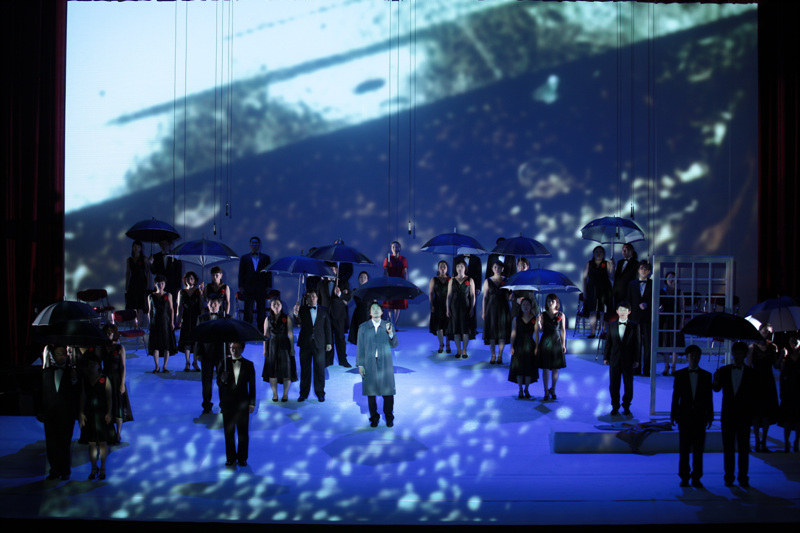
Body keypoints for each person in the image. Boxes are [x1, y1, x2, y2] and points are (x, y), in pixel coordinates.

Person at [713, 341, 756, 487]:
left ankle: (743, 477)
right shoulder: (724, 370)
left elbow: (755, 396)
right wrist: (716, 379)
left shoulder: (751, 373)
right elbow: (716, 389)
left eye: (740, 353)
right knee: (728, 448)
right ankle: (729, 476)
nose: (737, 356)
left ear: (745, 355)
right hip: (728, 415)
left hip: (744, 415)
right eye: (735, 353)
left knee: (743, 449)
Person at [670, 345, 714, 488]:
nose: (694, 358)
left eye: (696, 355)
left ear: (699, 357)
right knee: (684, 449)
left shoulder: (706, 376)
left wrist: (710, 415)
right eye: (691, 355)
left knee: (698, 450)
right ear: (687, 357)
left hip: (700, 416)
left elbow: (709, 398)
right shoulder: (680, 375)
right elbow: (676, 396)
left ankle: (696, 477)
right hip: (685, 416)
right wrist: (673, 414)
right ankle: (684, 476)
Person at [357, 303, 399, 427]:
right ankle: (374, 417)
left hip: (385, 362)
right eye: (373, 309)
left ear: (382, 312)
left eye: (378, 309)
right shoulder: (363, 327)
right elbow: (360, 347)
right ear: (370, 312)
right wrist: (360, 365)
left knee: (388, 391)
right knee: (371, 392)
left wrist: (390, 333)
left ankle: (389, 417)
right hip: (369, 362)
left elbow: (394, 344)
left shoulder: (388, 325)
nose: (375, 311)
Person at [41, 345, 78, 480]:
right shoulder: (46, 373)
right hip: (50, 414)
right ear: (53, 356)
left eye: (63, 353)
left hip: (66, 414)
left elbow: (77, 394)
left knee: (65, 442)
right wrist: (41, 412)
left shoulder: (72, 372)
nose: (61, 356)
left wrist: (74, 379)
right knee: (51, 443)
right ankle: (54, 470)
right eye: (58, 354)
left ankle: (65, 470)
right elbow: (40, 394)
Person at [217, 341, 256, 467]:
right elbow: (219, 385)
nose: (234, 350)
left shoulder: (249, 364)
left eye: (237, 348)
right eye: (232, 348)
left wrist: (252, 403)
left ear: (242, 349)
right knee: (229, 432)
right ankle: (230, 458)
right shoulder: (223, 363)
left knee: (243, 432)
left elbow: (252, 385)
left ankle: (242, 458)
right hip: (228, 403)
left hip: (243, 403)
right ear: (229, 349)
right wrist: (223, 379)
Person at [293, 290, 332, 402]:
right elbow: (298, 322)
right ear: (307, 299)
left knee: (319, 370)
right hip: (305, 343)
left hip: (320, 344)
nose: (312, 298)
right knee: (305, 370)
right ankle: (303, 393)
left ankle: (320, 393)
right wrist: (295, 313)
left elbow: (328, 327)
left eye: (314, 296)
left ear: (317, 298)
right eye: (310, 296)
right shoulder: (302, 309)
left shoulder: (324, 310)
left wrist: (329, 342)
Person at [603, 301, 640, 416]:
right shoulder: (611, 325)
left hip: (628, 359)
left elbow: (637, 344)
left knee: (628, 384)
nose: (622, 312)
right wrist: (606, 357)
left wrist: (636, 359)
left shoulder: (634, 326)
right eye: (620, 310)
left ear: (629, 312)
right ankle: (615, 406)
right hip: (614, 359)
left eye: (625, 310)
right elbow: (608, 343)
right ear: (617, 311)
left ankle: (626, 405)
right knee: (614, 384)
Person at [79, 354, 112, 480]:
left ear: (99, 365)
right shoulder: (85, 379)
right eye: (90, 364)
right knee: (91, 443)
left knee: (102, 442)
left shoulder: (104, 379)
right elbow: (83, 396)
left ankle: (102, 468)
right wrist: (81, 412)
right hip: (90, 413)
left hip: (102, 413)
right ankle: (93, 468)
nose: (91, 366)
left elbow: (109, 397)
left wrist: (109, 412)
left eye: (94, 364)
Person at [748, 323, 780, 452]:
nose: (767, 333)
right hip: (756, 381)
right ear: (760, 331)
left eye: (769, 332)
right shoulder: (752, 347)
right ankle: (757, 441)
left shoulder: (772, 347)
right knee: (756, 413)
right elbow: (749, 365)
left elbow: (776, 366)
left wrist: (781, 355)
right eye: (765, 331)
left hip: (768, 381)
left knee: (767, 412)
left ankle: (764, 441)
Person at [100, 324, 133, 445]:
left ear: (114, 334)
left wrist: (122, 383)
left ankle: (118, 433)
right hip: (106, 378)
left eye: (110, 333)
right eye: (106, 333)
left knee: (119, 404)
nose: (109, 335)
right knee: (107, 404)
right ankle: (108, 431)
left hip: (117, 378)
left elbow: (123, 367)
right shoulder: (102, 348)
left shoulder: (120, 348)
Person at [196, 294, 228, 414]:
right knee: (206, 381)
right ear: (207, 305)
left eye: (215, 303)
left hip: (221, 353)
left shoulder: (225, 317)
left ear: (219, 304)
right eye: (210, 303)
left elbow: (229, 336)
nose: (213, 305)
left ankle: (223, 404)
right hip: (206, 353)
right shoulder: (202, 318)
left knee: (222, 380)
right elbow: (198, 336)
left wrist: (229, 352)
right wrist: (198, 352)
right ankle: (206, 405)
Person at [263, 297, 297, 402]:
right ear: (271, 306)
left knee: (286, 371)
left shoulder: (287, 318)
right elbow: (265, 335)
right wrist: (265, 349)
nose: (276, 306)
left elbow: (290, 334)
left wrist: (292, 348)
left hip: (284, 346)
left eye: (278, 304)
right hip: (272, 346)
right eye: (274, 304)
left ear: (281, 305)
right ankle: (275, 394)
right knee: (272, 372)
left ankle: (285, 394)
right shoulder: (267, 319)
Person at [536, 293, 567, 400]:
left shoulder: (561, 315)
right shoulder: (542, 314)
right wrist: (539, 322)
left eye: (552, 301)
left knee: (555, 367)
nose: (550, 303)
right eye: (548, 301)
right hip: (546, 341)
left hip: (556, 341)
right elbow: (540, 330)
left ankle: (553, 389)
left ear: (556, 302)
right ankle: (545, 391)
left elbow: (563, 330)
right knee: (545, 367)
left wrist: (563, 344)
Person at [482, 261, 511, 364]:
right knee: (492, 333)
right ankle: (493, 355)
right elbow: (485, 297)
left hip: (503, 309)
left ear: (502, 269)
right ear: (492, 269)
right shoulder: (487, 281)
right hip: (491, 309)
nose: (497, 269)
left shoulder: (507, 280)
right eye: (495, 267)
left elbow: (509, 296)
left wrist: (512, 296)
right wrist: (483, 311)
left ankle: (500, 355)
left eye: (499, 267)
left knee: (502, 333)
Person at [627, 261, 653, 376]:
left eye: (646, 268)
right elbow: (628, 301)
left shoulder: (653, 284)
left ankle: (647, 369)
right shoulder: (631, 284)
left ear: (649, 271)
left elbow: (656, 300)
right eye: (642, 268)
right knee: (635, 344)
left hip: (648, 317)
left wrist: (647, 304)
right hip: (635, 318)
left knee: (648, 344)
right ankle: (636, 368)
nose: (643, 270)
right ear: (638, 270)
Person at [508, 298, 538, 399]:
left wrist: (537, 347)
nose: (526, 306)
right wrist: (512, 346)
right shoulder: (516, 319)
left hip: (530, 345)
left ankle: (527, 389)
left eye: (528, 304)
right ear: (520, 307)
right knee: (519, 368)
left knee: (529, 368)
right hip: (519, 345)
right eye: (524, 304)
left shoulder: (534, 319)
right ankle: (520, 389)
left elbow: (536, 334)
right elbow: (513, 333)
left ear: (531, 306)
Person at [238, 236, 271, 327]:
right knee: (248, 310)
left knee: (261, 310)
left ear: (259, 245)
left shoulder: (266, 258)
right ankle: (247, 329)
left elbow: (268, 272)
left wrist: (269, 285)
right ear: (250, 245)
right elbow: (241, 273)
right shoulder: (244, 258)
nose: (254, 244)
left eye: (256, 243)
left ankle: (261, 330)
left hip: (261, 287)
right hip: (248, 288)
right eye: (253, 243)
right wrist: (241, 286)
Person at [148, 274, 177, 373]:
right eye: (158, 283)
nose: (160, 285)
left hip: (166, 321)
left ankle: (165, 366)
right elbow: (150, 311)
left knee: (166, 344)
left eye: (162, 283)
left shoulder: (168, 295)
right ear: (155, 284)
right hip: (155, 322)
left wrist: (172, 322)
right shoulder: (151, 296)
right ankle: (156, 366)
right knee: (155, 344)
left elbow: (171, 309)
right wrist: (150, 322)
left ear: (165, 284)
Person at [446, 259, 476, 359]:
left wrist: (472, 308)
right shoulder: (452, 280)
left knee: (465, 330)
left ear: (465, 268)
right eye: (458, 266)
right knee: (456, 330)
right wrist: (447, 309)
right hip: (454, 307)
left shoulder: (470, 280)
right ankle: (458, 350)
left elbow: (472, 295)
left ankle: (464, 350)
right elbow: (449, 296)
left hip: (466, 307)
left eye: (461, 266)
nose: (459, 268)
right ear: (455, 268)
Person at [324, 263, 352, 367]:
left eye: (334, 268)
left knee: (340, 338)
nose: (332, 270)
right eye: (330, 268)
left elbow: (348, 298)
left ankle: (343, 360)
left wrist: (340, 294)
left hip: (339, 315)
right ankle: (328, 360)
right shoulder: (322, 283)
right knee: (328, 338)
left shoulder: (343, 282)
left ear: (337, 270)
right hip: (326, 315)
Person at [582, 245, 614, 339]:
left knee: (603, 312)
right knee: (593, 311)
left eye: (601, 252)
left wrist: (613, 265)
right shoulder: (589, 264)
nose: (599, 253)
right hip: (592, 290)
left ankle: (602, 332)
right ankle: (592, 332)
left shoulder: (607, 263)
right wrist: (584, 292)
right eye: (597, 252)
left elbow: (612, 276)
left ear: (603, 254)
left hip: (605, 290)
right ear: (593, 253)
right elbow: (584, 278)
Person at [176, 271, 204, 372]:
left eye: (192, 278)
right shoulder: (181, 292)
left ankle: (195, 362)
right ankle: (187, 362)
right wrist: (178, 319)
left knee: (195, 341)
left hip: (196, 318)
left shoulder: (198, 291)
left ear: (195, 280)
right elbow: (179, 307)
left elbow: (201, 306)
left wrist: (202, 293)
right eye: (188, 278)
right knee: (187, 341)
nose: (189, 280)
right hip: (186, 318)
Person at [658, 271, 685, 376]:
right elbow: (658, 306)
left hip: (676, 319)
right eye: (669, 277)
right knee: (665, 342)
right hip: (665, 319)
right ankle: (666, 365)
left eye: (673, 277)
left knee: (675, 343)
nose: (671, 279)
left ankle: (673, 366)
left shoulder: (679, 292)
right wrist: (659, 309)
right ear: (665, 279)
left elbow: (682, 308)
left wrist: (681, 322)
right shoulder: (662, 292)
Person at [779, 336, 800, 452]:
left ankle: (796, 441)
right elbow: (782, 375)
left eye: (796, 341)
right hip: (789, 390)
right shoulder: (786, 357)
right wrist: (782, 390)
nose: (794, 343)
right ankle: (786, 442)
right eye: (792, 341)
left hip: (798, 390)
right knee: (787, 418)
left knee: (798, 419)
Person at [125, 239, 151, 327]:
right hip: (133, 283)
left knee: (140, 305)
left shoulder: (144, 259)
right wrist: (126, 284)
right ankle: (134, 323)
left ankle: (139, 324)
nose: (136, 248)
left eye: (138, 247)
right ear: (132, 248)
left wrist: (147, 285)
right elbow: (128, 273)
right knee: (133, 304)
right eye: (135, 247)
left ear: (140, 248)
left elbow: (147, 272)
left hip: (142, 283)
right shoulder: (129, 260)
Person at [149, 238, 182, 305]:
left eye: (165, 244)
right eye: (161, 244)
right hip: (160, 286)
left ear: (169, 244)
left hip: (171, 286)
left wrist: (178, 287)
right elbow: (153, 271)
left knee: (171, 305)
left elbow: (178, 273)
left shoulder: (175, 256)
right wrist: (151, 264)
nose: (163, 246)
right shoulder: (156, 256)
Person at [383, 241, 408, 327]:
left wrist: (406, 283)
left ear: (399, 248)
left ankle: (394, 324)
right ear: (391, 249)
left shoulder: (403, 259)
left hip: (400, 284)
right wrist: (385, 281)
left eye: (396, 247)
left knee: (398, 305)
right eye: (393, 247)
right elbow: (385, 271)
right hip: (390, 284)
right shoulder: (388, 258)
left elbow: (405, 272)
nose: (395, 248)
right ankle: (392, 323)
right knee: (391, 305)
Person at [429, 261, 451, 354]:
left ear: (447, 268)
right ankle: (441, 344)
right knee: (439, 326)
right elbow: (431, 293)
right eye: (441, 266)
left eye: (444, 266)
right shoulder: (434, 279)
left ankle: (448, 345)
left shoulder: (451, 279)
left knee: (448, 326)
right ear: (438, 268)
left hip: (448, 305)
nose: (443, 268)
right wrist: (431, 305)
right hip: (437, 304)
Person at [348, 271, 372, 346]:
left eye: (365, 277)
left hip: (368, 316)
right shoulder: (355, 291)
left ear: (367, 280)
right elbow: (347, 302)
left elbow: (375, 304)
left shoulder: (371, 291)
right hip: (358, 316)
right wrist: (340, 294)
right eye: (361, 277)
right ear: (358, 279)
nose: (363, 279)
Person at [613, 243, 638, 307]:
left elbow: (636, 278)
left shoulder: (636, 263)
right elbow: (616, 277)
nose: (624, 251)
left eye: (626, 249)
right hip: (617, 292)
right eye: (623, 249)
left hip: (628, 291)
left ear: (631, 251)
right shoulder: (619, 262)